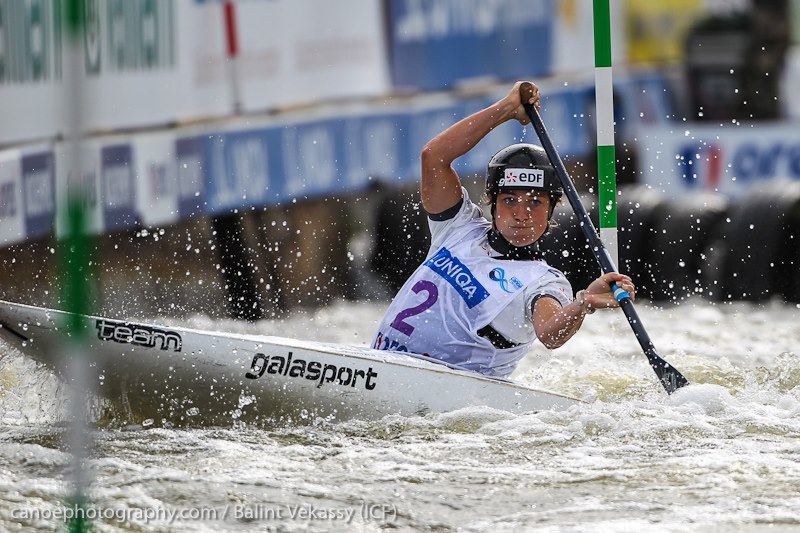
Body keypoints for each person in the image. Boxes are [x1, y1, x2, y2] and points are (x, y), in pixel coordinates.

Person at [372, 80, 636, 378]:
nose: (521, 214)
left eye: (535, 202)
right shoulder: (457, 227)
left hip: (452, 399)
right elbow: (433, 157)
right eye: (510, 200)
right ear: (491, 202)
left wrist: (583, 303)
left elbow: (550, 334)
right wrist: (506, 109)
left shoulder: (542, 282)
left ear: (552, 210)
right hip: (383, 367)